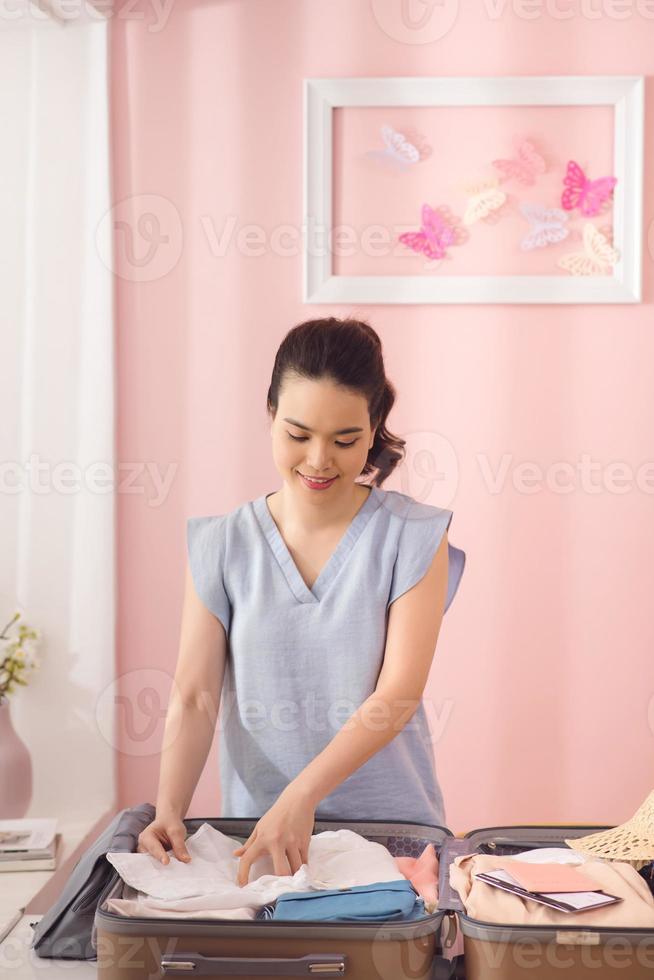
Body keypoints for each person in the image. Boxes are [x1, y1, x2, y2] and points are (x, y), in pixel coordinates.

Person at [137, 316, 466, 886]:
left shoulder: (414, 537)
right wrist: (169, 809)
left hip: (395, 839)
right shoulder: (221, 544)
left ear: (373, 429)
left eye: (344, 441)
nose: (318, 460)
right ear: (270, 416)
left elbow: (397, 695)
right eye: (297, 435)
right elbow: (193, 695)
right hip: (262, 840)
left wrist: (303, 795)